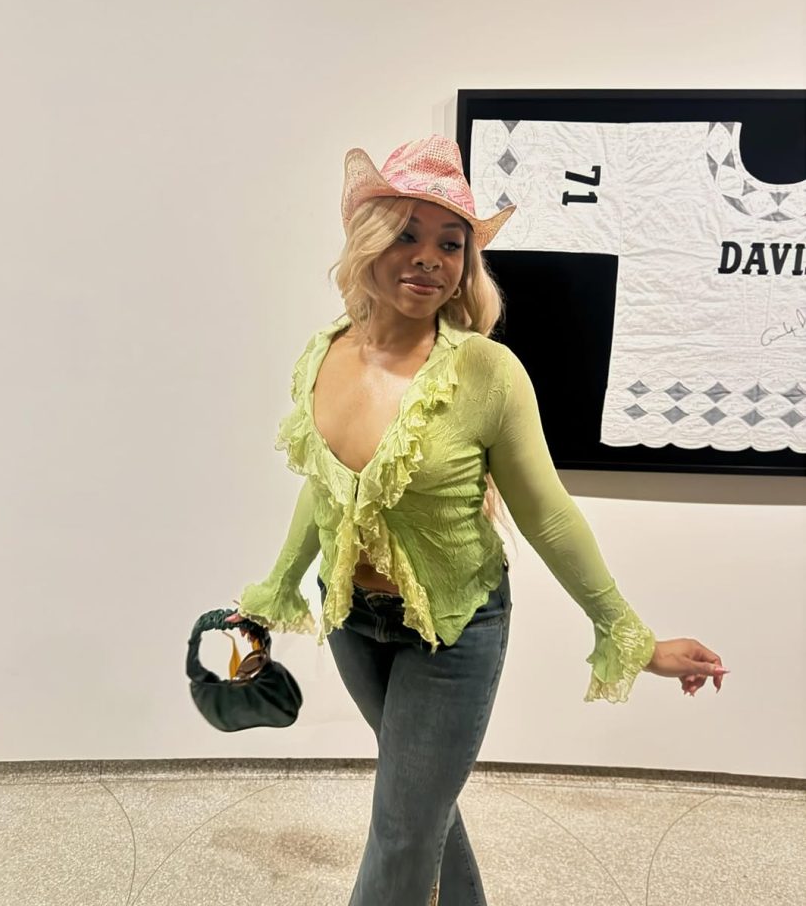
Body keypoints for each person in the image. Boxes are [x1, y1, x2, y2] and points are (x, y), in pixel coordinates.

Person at [227, 135, 727, 906]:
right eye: (407, 234)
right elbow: (325, 491)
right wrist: (272, 592)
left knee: (401, 826)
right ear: (366, 240)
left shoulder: (486, 372)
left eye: (450, 244)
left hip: (454, 631)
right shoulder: (322, 353)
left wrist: (630, 636)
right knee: (421, 807)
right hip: (354, 621)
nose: (429, 258)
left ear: (466, 264)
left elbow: (547, 516)